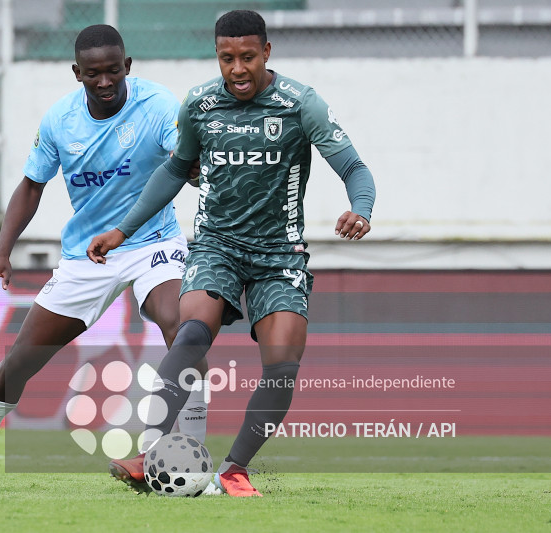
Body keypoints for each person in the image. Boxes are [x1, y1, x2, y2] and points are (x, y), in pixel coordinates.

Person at [87, 10, 376, 497]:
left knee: (283, 362)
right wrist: (122, 230)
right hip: (216, 244)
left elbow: (354, 168)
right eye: (226, 58)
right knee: (191, 332)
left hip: (279, 252)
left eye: (247, 57)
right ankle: (149, 450)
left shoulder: (301, 104)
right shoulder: (199, 104)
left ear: (267, 52)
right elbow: (175, 170)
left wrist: (361, 209)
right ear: (217, 56)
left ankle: (235, 469)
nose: (237, 69)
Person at [0, 24, 208, 490]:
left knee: (185, 329)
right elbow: (32, 186)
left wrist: (196, 171)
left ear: (127, 67)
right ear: (77, 73)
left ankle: (192, 461)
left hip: (153, 243)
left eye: (113, 71)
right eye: (93, 73)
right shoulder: (59, 120)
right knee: (20, 363)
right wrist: (0, 253)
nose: (104, 82)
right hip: (86, 256)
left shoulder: (158, 107)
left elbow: (184, 163)